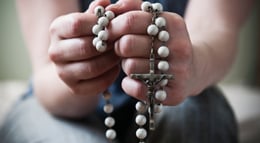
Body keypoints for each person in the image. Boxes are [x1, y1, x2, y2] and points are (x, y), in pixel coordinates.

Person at [0, 0, 254, 142]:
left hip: (180, 98)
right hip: (56, 103)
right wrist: (78, 71)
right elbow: (45, 71)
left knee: (198, 115)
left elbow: (215, 29)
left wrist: (193, 64)